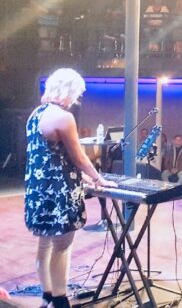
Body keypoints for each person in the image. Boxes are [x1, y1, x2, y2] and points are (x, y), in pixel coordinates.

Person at [25, 69, 116, 308]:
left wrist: (83, 178)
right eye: (77, 93)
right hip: (59, 193)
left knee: (44, 244)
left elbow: (52, 157)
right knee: (62, 247)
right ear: (69, 90)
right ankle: (60, 299)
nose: (77, 98)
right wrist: (98, 179)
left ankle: (47, 296)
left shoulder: (35, 114)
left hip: (38, 191)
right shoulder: (64, 118)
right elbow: (79, 158)